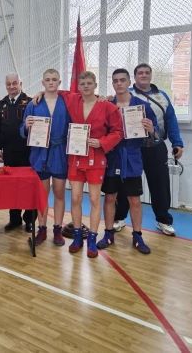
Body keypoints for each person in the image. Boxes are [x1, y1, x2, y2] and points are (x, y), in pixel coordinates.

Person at [113, 63, 184, 236]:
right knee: (125, 184)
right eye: (140, 73)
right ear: (134, 77)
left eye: (146, 72)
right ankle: (119, 218)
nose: (143, 75)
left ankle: (163, 220)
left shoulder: (162, 96)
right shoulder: (124, 94)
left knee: (160, 185)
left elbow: (171, 120)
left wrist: (177, 142)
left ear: (151, 75)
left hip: (155, 145)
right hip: (132, 148)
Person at [58, 71, 123, 258]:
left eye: (89, 83)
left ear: (95, 85)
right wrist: (39, 93)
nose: (85, 86)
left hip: (96, 157)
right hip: (76, 156)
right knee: (76, 198)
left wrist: (102, 142)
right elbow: (56, 91)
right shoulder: (73, 100)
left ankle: (92, 238)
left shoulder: (107, 106)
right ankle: (78, 236)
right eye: (82, 83)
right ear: (78, 87)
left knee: (95, 199)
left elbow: (118, 132)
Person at [97, 69, 157, 254]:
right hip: (112, 156)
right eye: (115, 81)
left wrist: (151, 129)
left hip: (132, 157)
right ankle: (108, 234)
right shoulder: (107, 105)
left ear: (129, 82)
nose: (119, 83)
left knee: (134, 200)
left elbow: (155, 132)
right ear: (112, 84)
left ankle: (137, 236)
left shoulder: (142, 106)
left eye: (122, 80)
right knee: (109, 197)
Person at [21, 69, 70, 247]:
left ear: (59, 82)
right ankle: (42, 228)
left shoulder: (66, 101)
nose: (51, 82)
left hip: (59, 152)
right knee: (42, 194)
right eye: (47, 80)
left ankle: (57, 229)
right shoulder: (34, 103)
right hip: (39, 153)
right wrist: (26, 126)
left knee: (59, 192)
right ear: (43, 82)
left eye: (54, 79)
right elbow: (22, 130)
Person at [0, 73, 34, 232]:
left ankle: (29, 220)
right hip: (9, 152)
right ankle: (14, 219)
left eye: (14, 83)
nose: (11, 86)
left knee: (28, 187)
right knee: (12, 187)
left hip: (27, 152)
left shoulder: (30, 102)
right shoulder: (1, 104)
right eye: (8, 84)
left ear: (20, 83)